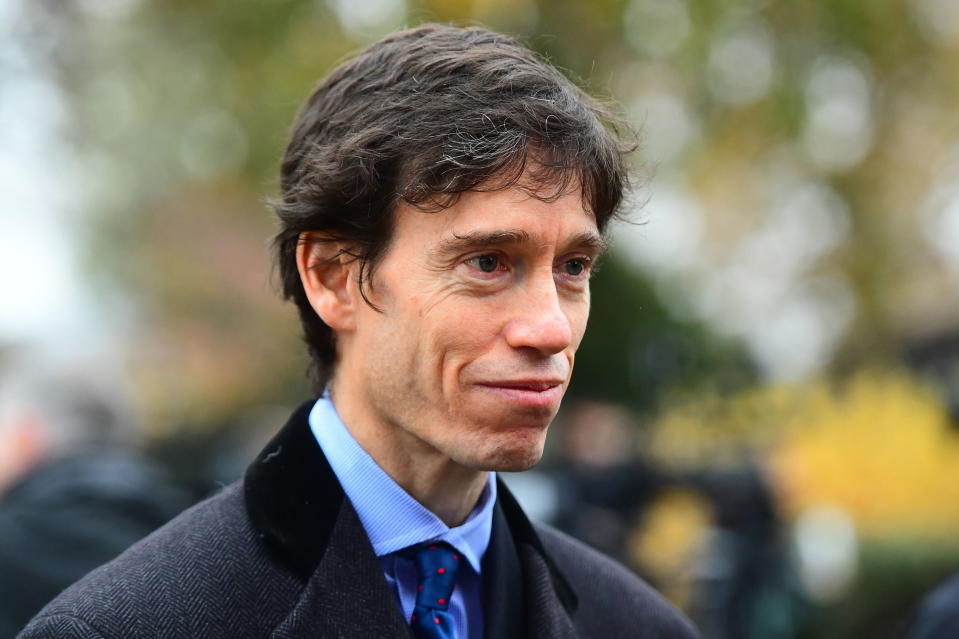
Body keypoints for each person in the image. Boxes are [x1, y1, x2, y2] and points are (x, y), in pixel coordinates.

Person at [19, 24, 698, 639]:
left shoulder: (642, 625)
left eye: (573, 267)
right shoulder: (127, 626)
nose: (549, 326)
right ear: (333, 277)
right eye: (488, 262)